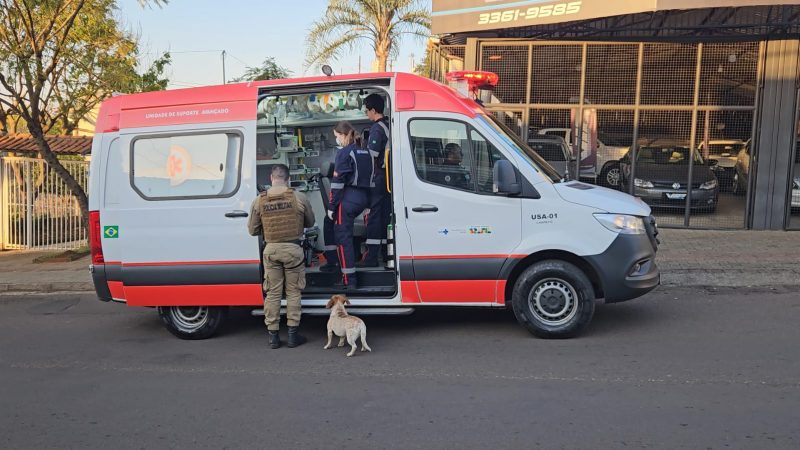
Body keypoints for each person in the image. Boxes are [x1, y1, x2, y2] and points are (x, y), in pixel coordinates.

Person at [248, 164, 315, 349]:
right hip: (293, 250)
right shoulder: (299, 197)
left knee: (273, 293)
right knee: (293, 291)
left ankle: (273, 337)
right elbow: (311, 221)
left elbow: (252, 230)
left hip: (271, 251)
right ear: (288, 178)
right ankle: (293, 335)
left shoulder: (259, 200)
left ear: (271, 178)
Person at [328, 121, 373, 289]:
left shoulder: (344, 153)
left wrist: (331, 207)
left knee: (343, 238)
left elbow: (337, 183)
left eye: (337, 136)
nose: (337, 139)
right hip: (364, 197)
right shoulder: (365, 151)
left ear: (344, 135)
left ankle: (349, 280)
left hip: (348, 198)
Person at [358, 93, 390, 268]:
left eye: (366, 110)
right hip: (386, 179)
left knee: (374, 217)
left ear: (373, 110)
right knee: (385, 217)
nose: (366, 113)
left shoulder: (377, 128)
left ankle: (371, 259)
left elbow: (372, 156)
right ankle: (386, 254)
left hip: (378, 178)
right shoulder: (387, 125)